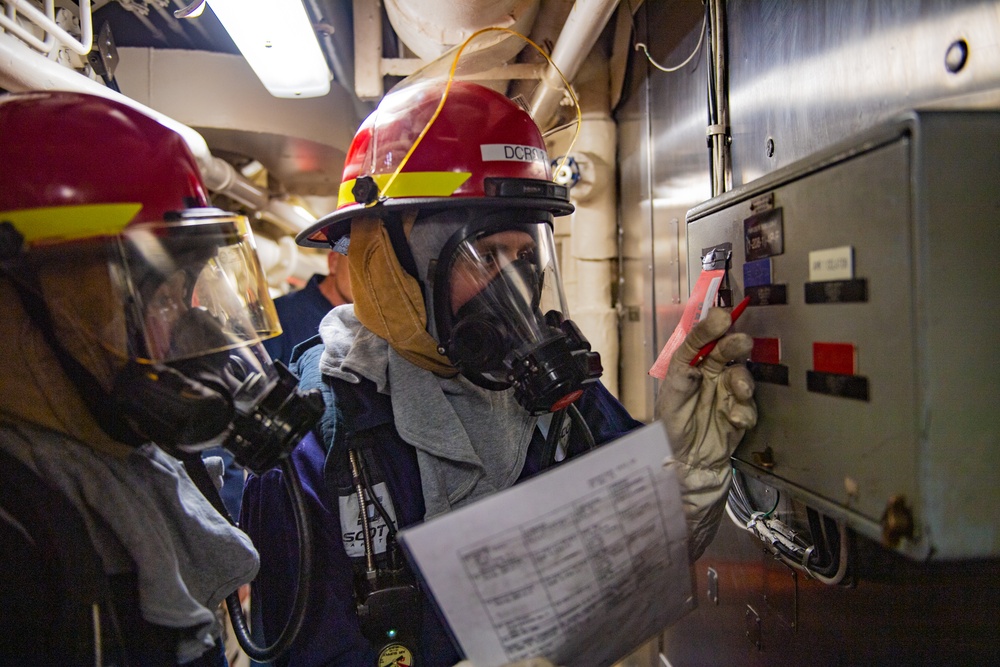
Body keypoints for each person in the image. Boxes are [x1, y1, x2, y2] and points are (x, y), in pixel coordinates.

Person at [240, 80, 756, 667]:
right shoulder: (313, 438)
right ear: (388, 263)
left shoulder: (558, 396)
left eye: (524, 257)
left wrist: (683, 479)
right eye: (485, 256)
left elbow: (632, 564)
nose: (512, 292)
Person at [0, 91, 321, 665]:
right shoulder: (21, 539)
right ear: (21, 304)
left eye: (184, 296)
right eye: (157, 300)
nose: (187, 337)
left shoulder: (127, 468)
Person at [264, 250, 354, 367]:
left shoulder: (370, 334)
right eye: (359, 264)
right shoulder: (276, 317)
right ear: (334, 261)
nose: (369, 278)